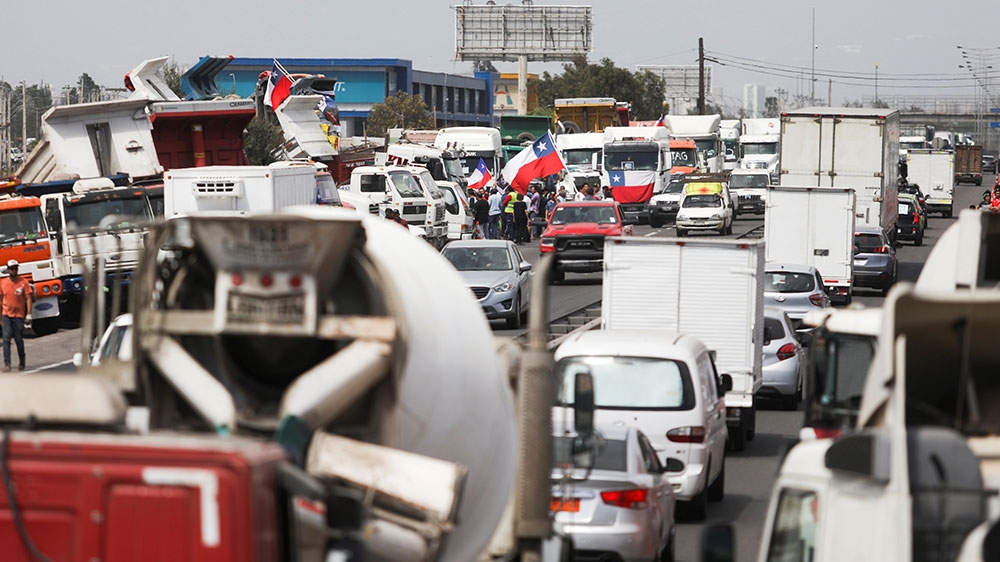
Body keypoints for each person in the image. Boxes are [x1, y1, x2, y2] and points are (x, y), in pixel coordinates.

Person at [0, 259, 32, 372]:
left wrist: (29, 314)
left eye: (16, 269)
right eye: (12, 269)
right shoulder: (3, 283)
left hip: (19, 315)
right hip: (6, 315)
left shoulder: (23, 282)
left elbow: (28, 298)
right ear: (8, 270)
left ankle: (22, 360)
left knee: (18, 339)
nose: (14, 271)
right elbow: (0, 300)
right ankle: (7, 363)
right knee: (6, 339)